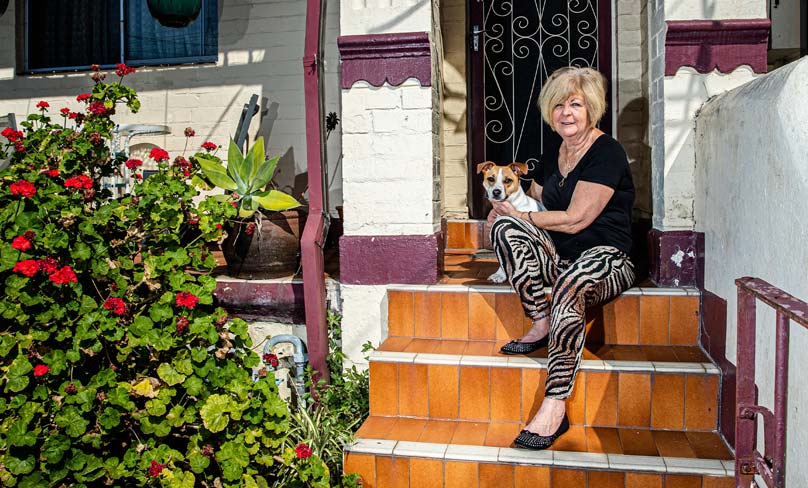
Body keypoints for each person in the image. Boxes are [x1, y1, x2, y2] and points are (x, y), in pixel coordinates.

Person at [488, 66, 636, 450]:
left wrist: (525, 216)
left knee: (570, 283)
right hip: (561, 255)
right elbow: (539, 198)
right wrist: (507, 208)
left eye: (575, 104)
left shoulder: (607, 152)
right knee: (504, 229)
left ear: (592, 109)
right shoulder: (556, 153)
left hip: (607, 257)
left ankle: (555, 405)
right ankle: (541, 320)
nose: (566, 113)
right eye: (558, 105)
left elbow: (575, 218)